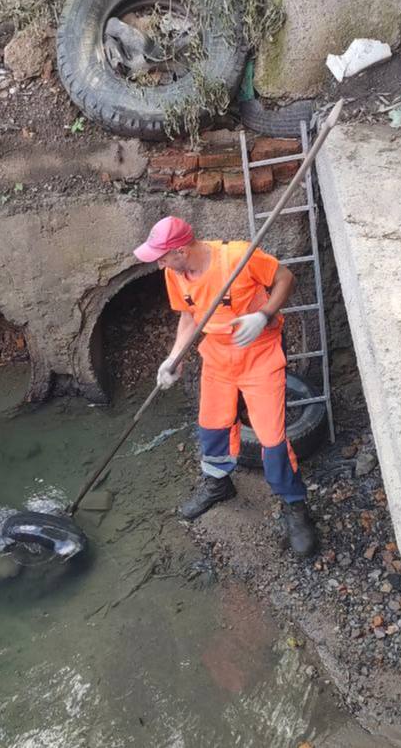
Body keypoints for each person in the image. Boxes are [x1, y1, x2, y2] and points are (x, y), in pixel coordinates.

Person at [134, 216, 318, 556]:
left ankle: (295, 507)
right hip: (217, 358)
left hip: (259, 355)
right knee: (212, 428)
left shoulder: (238, 257)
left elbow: (285, 278)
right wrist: (174, 358)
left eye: (162, 256)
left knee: (272, 440)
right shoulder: (175, 274)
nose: (158, 263)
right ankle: (218, 485)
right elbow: (189, 318)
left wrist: (263, 314)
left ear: (181, 250)